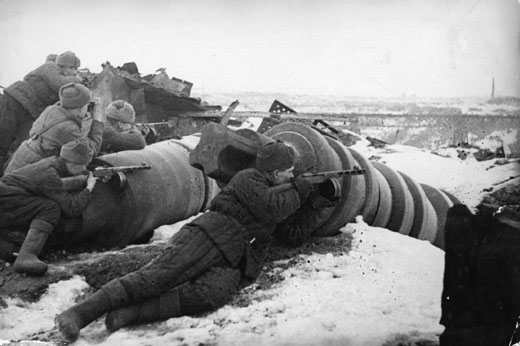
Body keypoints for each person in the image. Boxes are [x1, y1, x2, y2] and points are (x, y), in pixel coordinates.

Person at [55, 141, 321, 341]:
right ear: (274, 174)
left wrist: (318, 202)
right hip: (211, 234)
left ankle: (130, 314)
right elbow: (271, 208)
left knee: (211, 295)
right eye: (288, 172)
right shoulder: (248, 178)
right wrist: (301, 190)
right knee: (157, 277)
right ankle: (80, 314)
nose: (291, 176)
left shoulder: (285, 195)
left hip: (238, 255)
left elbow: (292, 234)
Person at [0, 139, 98, 276]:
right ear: (73, 163)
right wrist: (89, 188)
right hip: (6, 201)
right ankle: (26, 256)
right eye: (83, 166)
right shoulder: (49, 174)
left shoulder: (52, 163)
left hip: (8, 199)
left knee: (15, 246)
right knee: (50, 208)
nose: (84, 170)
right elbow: (71, 208)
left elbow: (54, 187)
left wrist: (79, 181)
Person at [440, 203, 520, 346]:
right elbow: (451, 280)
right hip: (488, 310)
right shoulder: (467, 239)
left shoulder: (496, 242)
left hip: (494, 307)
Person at [0, 51, 83, 174]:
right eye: (73, 68)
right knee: (3, 140)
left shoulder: (64, 78)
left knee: (24, 145)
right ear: (67, 66)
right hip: (14, 100)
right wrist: (77, 79)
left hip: (29, 111)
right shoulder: (50, 67)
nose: (74, 71)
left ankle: (7, 176)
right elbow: (58, 83)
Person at [4, 82, 104, 174]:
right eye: (86, 106)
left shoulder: (51, 109)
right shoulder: (68, 129)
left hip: (18, 166)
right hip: (28, 178)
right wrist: (98, 121)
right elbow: (89, 153)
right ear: (81, 108)